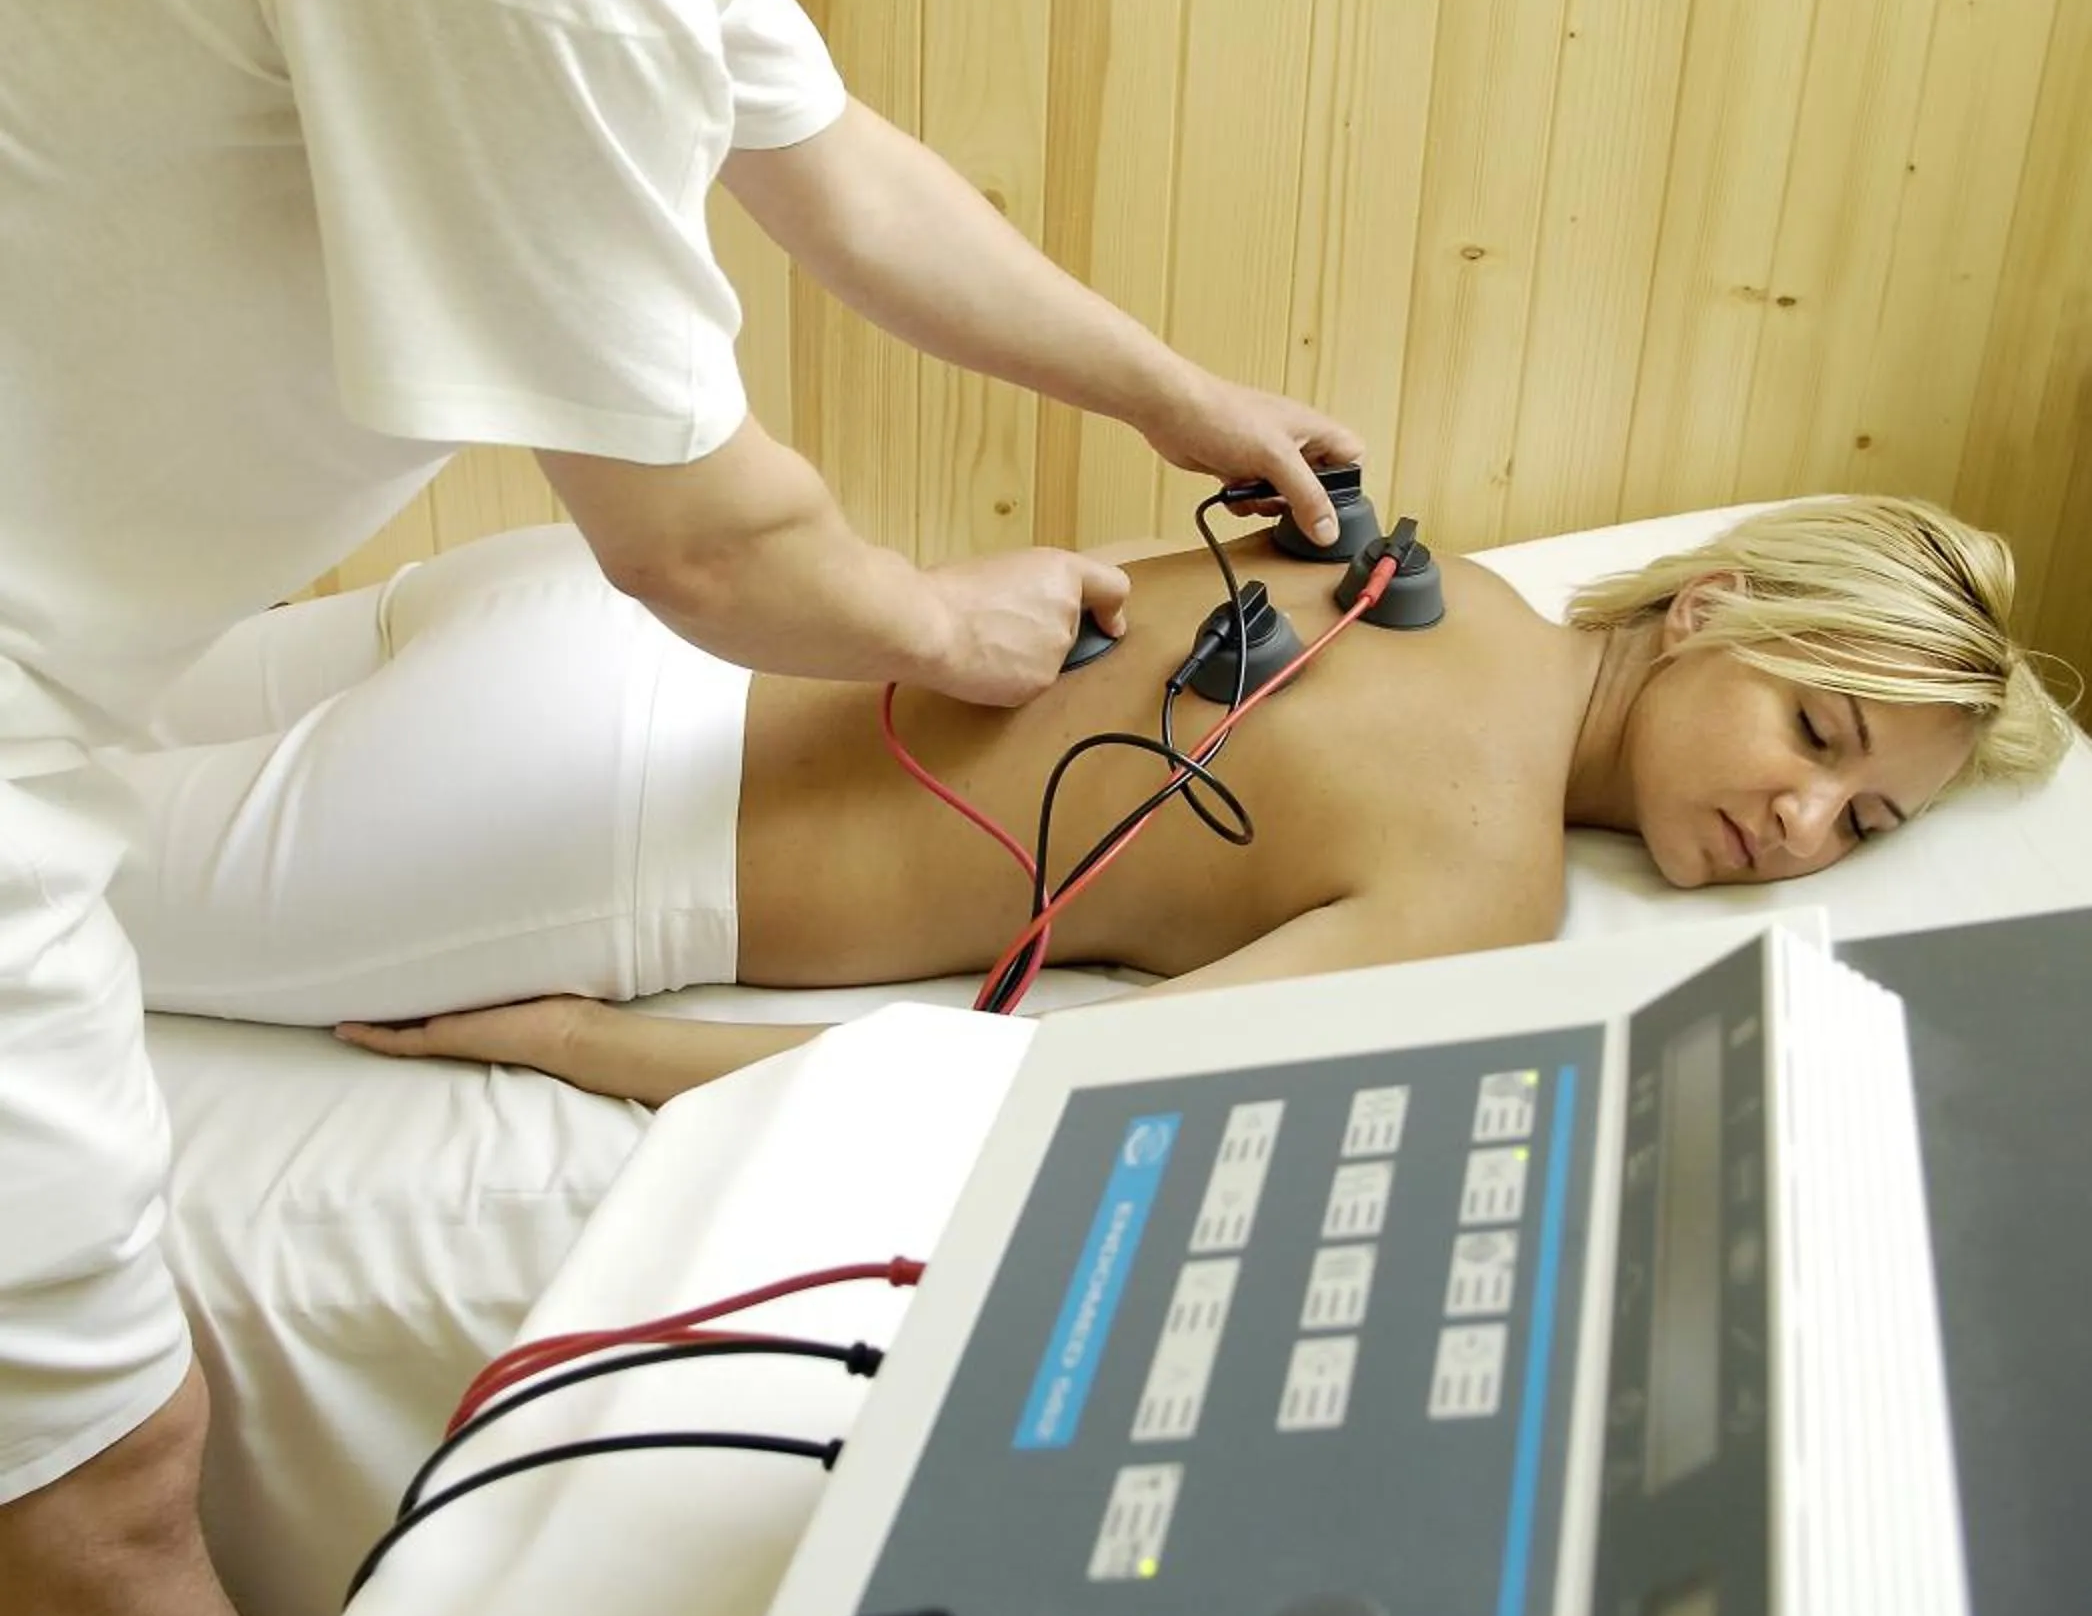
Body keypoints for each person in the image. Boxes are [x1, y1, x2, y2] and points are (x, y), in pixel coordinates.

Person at [0, 0, 1355, 1616]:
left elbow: (830, 168)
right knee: (98, 1497)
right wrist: (941, 619)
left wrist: (1182, 396)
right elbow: (703, 548)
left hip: (87, 640)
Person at [105, 495, 2075, 1115]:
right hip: (572, 819)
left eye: (1864, 829)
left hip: (581, 607)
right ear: (1704, 607)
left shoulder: (1428, 563)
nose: (1802, 827)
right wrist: (585, 1043)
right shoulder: (1482, 892)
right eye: (1817, 736)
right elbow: (1029, 1095)